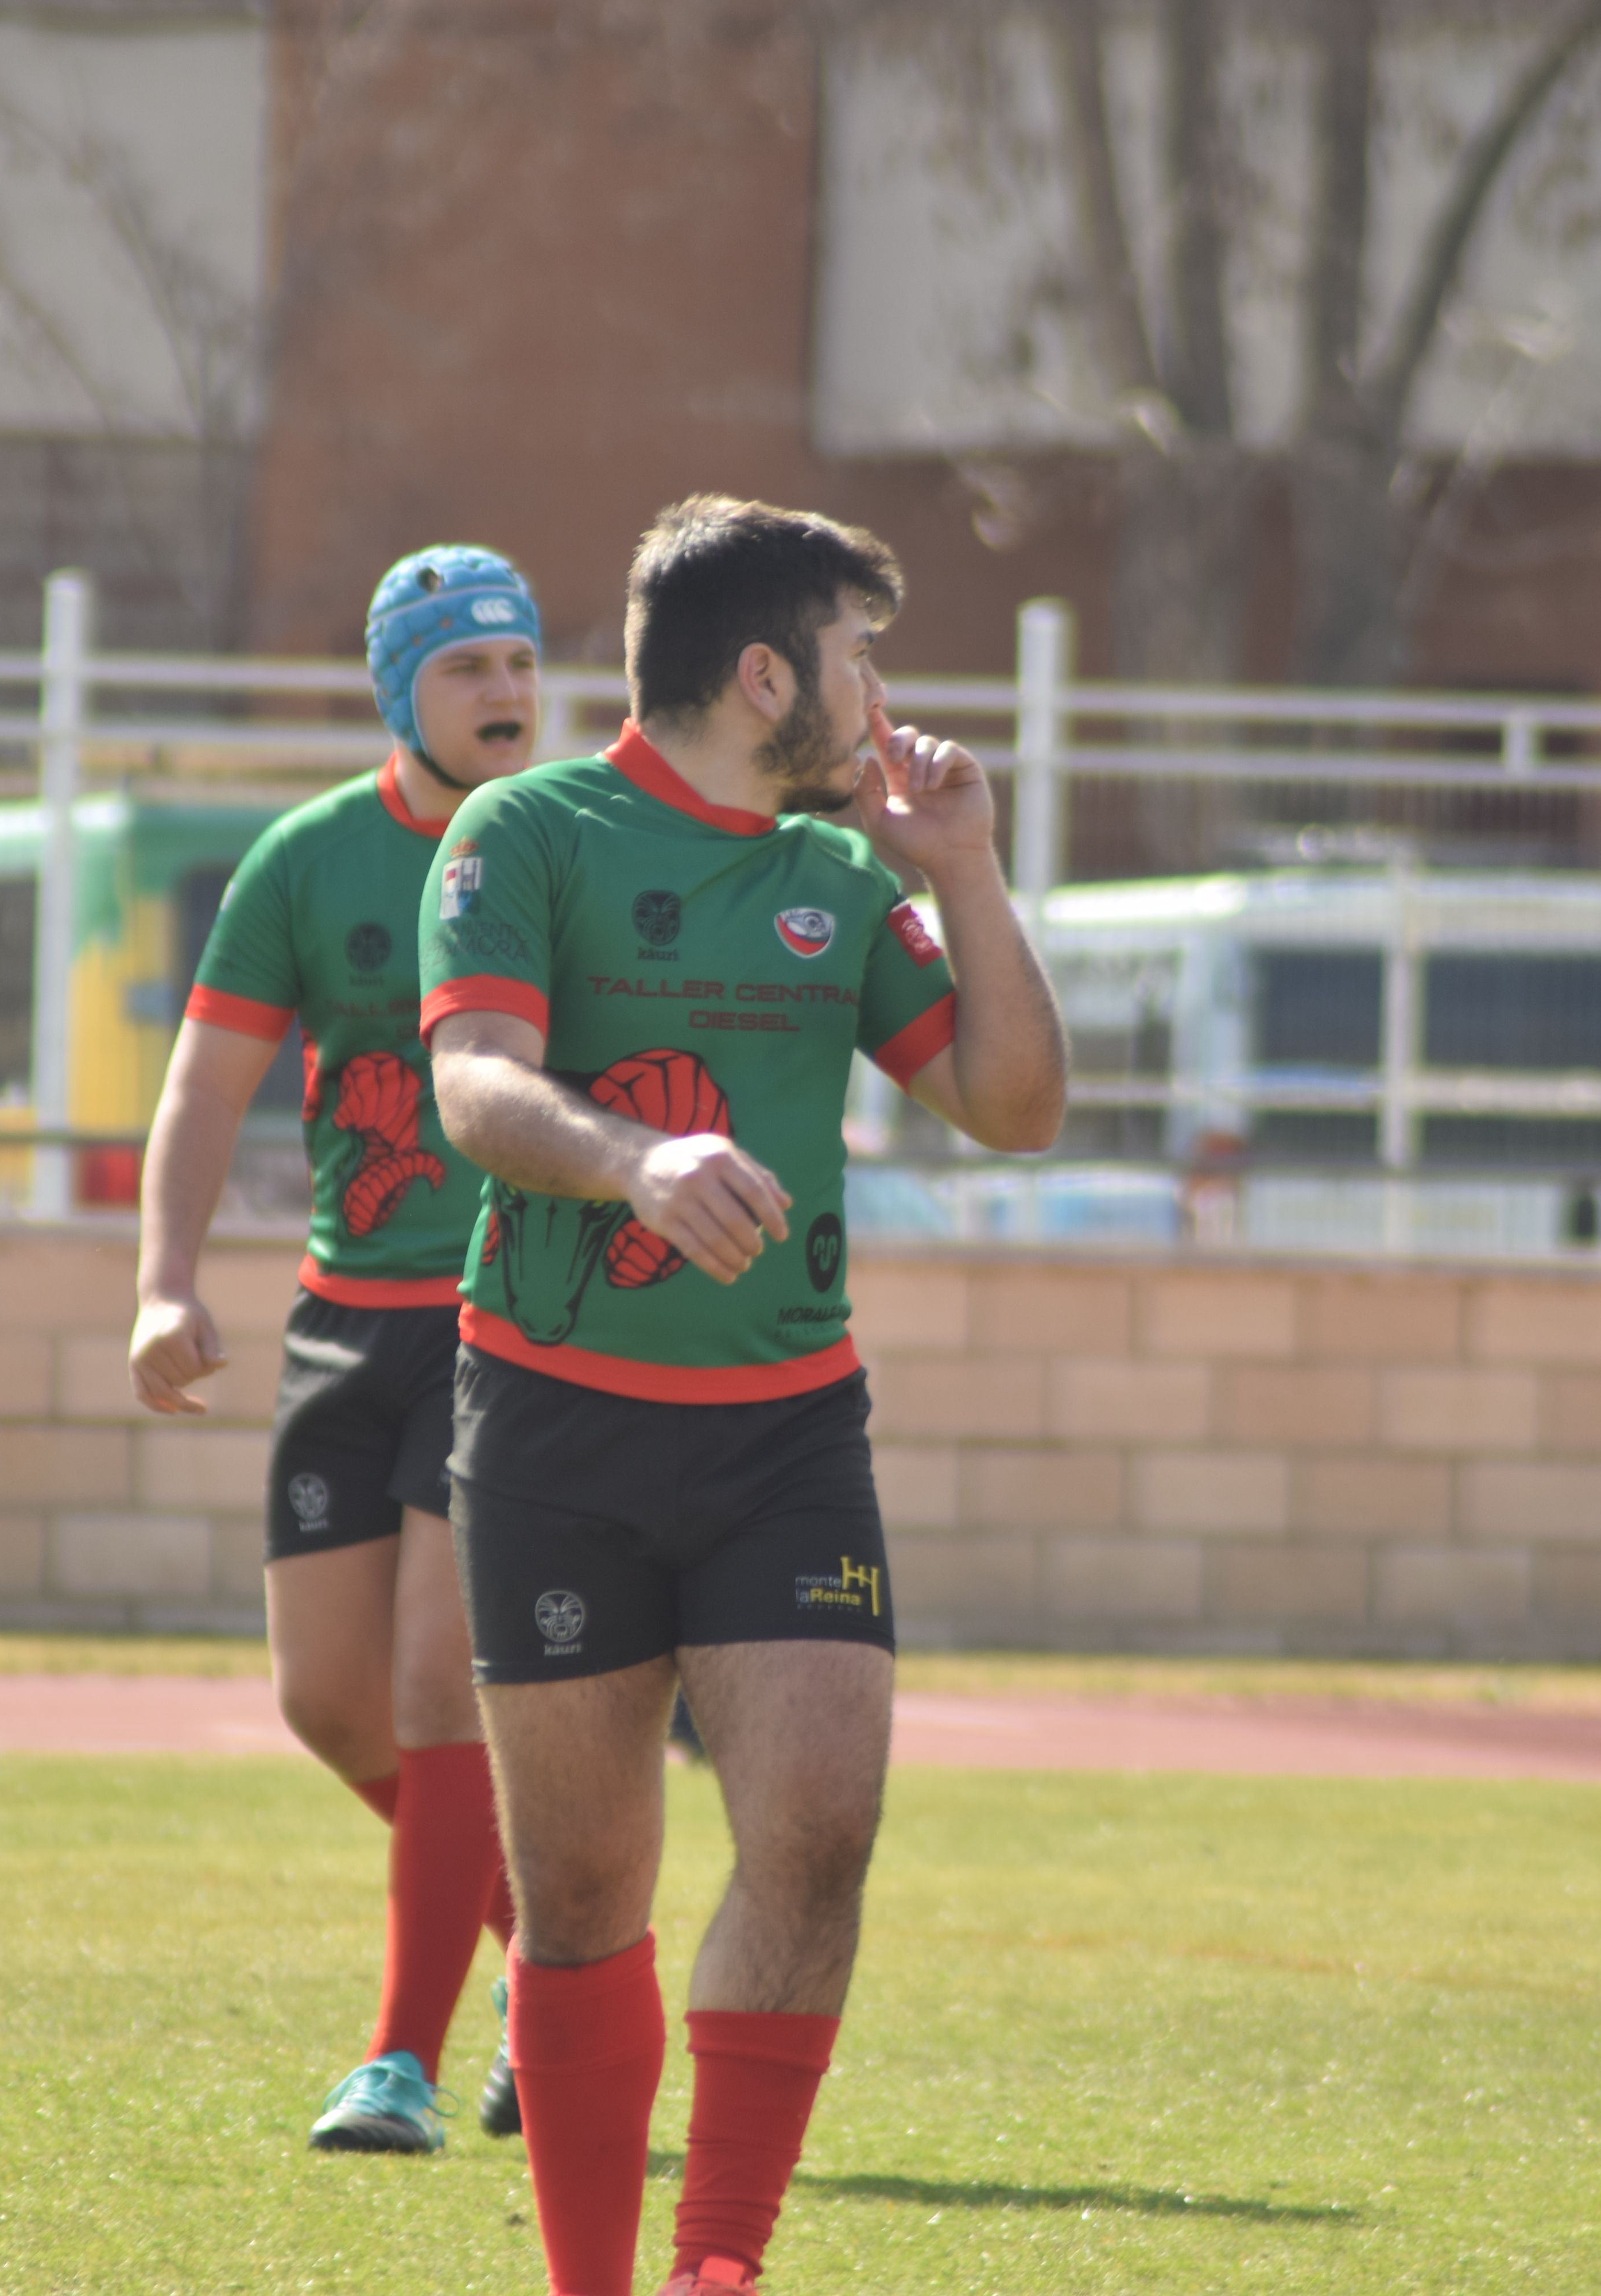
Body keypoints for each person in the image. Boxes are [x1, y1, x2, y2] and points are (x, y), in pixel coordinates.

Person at [419, 497, 1064, 2295]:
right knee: (580, 1899)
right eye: (859, 655)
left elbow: (1014, 1108)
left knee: (817, 1832)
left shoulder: (847, 877)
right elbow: (475, 1082)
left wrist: (966, 870)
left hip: (786, 1432)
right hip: (552, 1423)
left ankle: (716, 2269)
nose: (880, 699)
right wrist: (631, 1161)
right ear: (765, 670)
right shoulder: (521, 830)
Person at [130, 544, 544, 2153]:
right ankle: (555, 1956)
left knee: (444, 1688)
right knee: (329, 1703)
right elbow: (203, 1092)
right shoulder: (303, 861)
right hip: (341, 1322)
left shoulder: (569, 848)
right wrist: (166, 1280)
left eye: (518, 662)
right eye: (466, 669)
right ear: (399, 693)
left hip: (505, 1322)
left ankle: (401, 2066)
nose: (506, 692)